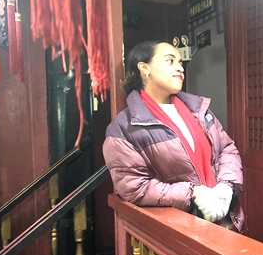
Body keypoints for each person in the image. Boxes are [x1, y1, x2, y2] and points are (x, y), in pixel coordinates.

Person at [103, 40, 244, 231]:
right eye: (170, 61)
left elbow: (227, 149)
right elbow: (135, 187)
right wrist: (194, 194)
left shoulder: (198, 110)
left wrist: (226, 187)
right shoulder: (123, 128)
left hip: (225, 220)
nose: (180, 68)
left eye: (180, 62)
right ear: (144, 68)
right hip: (181, 229)